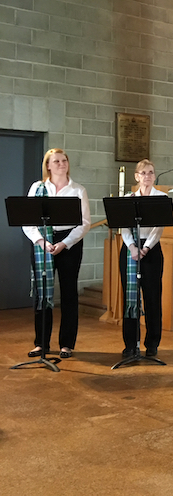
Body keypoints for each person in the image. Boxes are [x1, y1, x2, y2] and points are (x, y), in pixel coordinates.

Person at [22, 148, 91, 359]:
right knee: (43, 293)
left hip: (69, 244)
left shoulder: (78, 190)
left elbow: (85, 223)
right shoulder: (38, 188)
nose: (61, 164)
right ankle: (41, 343)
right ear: (48, 165)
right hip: (42, 242)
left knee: (69, 294)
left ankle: (67, 344)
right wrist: (42, 241)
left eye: (64, 160)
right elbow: (27, 219)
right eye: (56, 161)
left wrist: (65, 243)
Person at [119, 159, 166, 358]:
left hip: (151, 250)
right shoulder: (128, 198)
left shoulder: (161, 198)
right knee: (130, 298)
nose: (147, 176)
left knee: (152, 297)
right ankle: (131, 343)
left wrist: (145, 248)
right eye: (143, 173)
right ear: (137, 176)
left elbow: (158, 228)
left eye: (151, 172)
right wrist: (132, 247)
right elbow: (124, 227)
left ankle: (152, 343)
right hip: (130, 250)